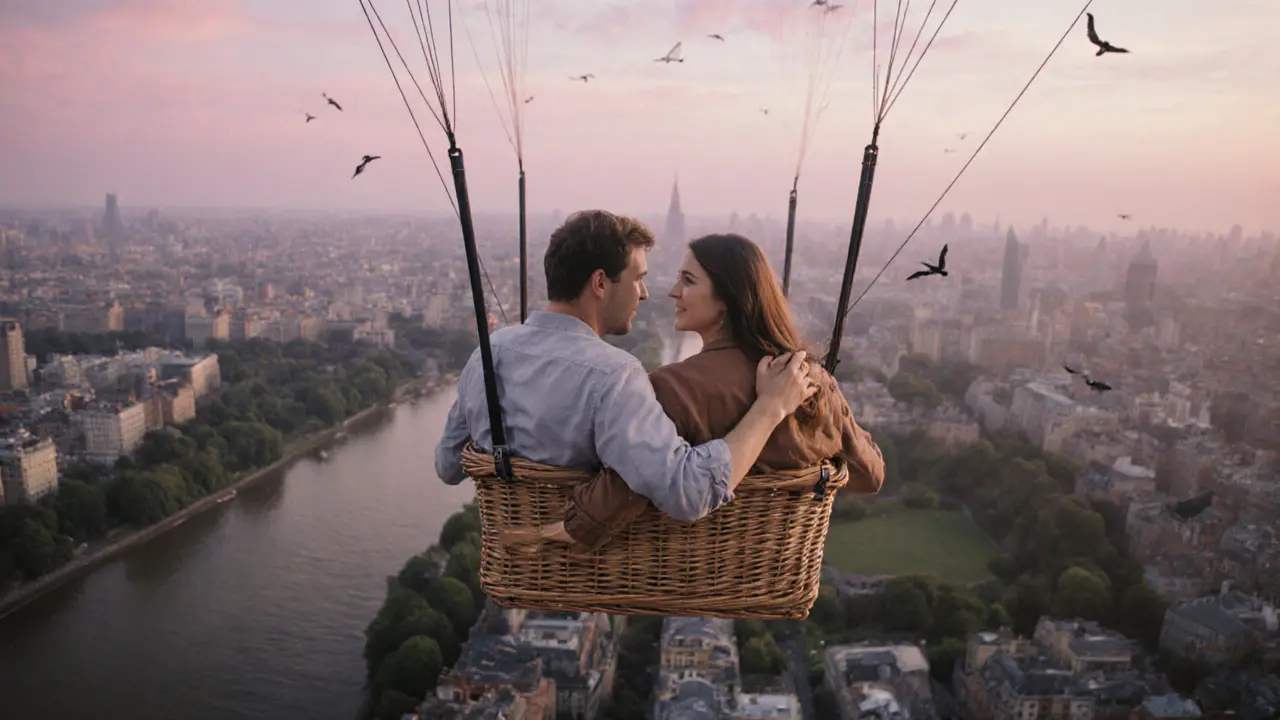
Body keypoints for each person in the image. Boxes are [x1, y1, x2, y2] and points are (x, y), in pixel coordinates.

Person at [433, 210, 817, 527]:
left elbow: (448, 466)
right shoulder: (613, 376)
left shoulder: (490, 351)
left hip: (514, 558)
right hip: (591, 570)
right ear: (600, 283)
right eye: (638, 279)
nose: (645, 293)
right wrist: (770, 409)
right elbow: (689, 492)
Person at [523, 232, 886, 551]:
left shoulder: (673, 388)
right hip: (777, 566)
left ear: (726, 298)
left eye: (688, 281)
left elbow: (626, 484)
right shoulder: (811, 379)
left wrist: (560, 529)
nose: (672, 291)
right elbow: (870, 475)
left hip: (700, 566)